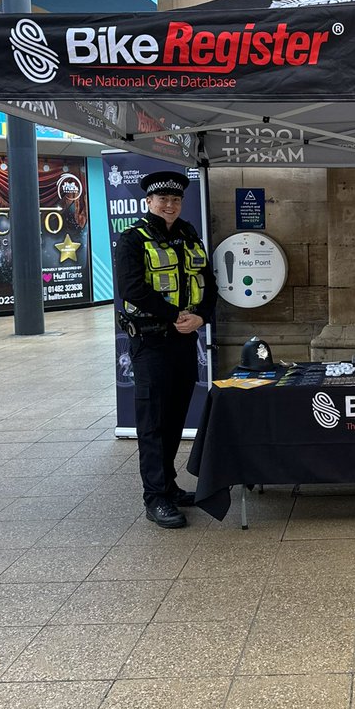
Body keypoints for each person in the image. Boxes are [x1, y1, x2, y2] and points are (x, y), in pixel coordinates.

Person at [115, 170, 217, 528]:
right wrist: (176, 315)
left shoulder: (190, 237)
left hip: (184, 340)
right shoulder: (132, 239)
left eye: (175, 200)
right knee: (153, 423)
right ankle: (155, 497)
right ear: (149, 202)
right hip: (151, 341)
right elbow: (132, 288)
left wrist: (201, 318)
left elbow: (210, 284)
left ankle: (169, 486)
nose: (169, 205)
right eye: (162, 200)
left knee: (174, 418)